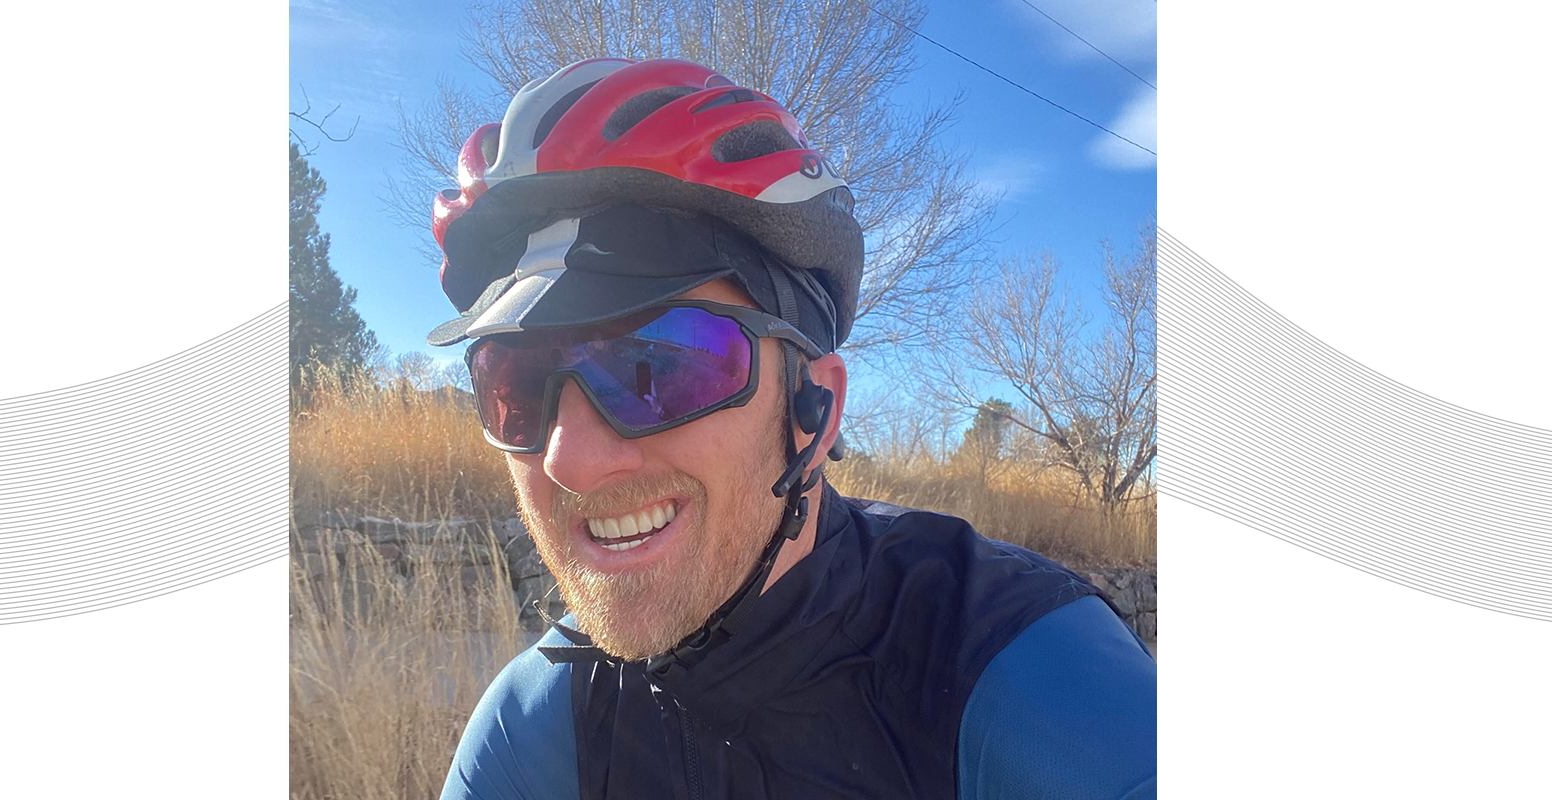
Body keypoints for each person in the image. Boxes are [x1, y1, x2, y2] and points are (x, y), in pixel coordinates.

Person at [427, 57, 1156, 800]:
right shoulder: (542, 725)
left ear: (816, 411)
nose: (569, 460)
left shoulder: (1022, 676)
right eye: (515, 383)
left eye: (659, 368)